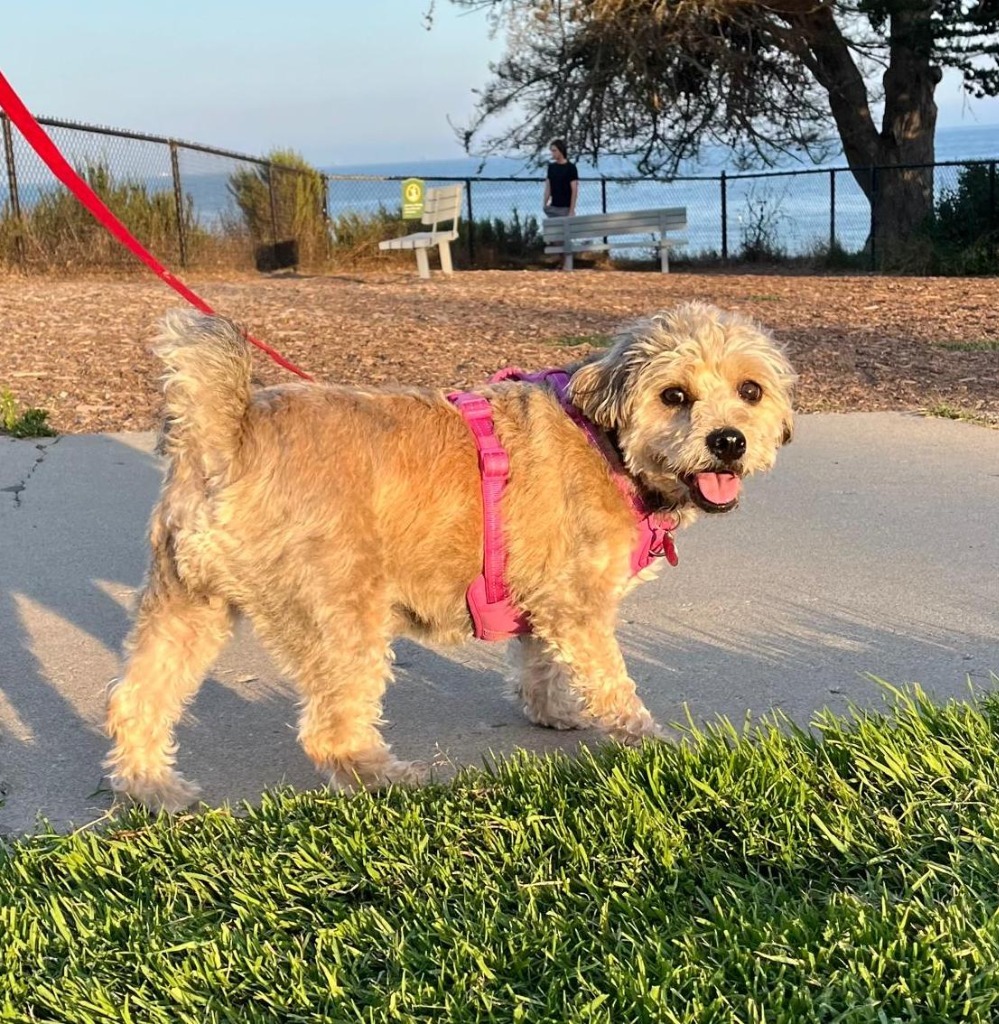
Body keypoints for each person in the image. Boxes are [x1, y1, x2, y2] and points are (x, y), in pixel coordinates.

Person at [543, 138, 578, 218]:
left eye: (554, 151)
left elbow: (574, 190)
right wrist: (545, 203)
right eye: (552, 151)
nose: (553, 153)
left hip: (565, 208)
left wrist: (571, 210)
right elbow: (548, 187)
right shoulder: (551, 167)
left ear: (560, 150)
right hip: (554, 206)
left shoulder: (570, 168)